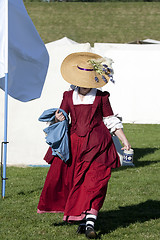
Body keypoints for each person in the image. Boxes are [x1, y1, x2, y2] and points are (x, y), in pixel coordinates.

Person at [37, 52, 131, 239]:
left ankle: (90, 223)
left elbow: (110, 119)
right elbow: (60, 115)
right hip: (74, 147)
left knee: (96, 182)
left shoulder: (102, 97)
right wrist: (59, 116)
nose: (84, 84)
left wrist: (124, 140)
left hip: (98, 146)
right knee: (74, 183)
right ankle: (82, 219)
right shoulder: (67, 95)